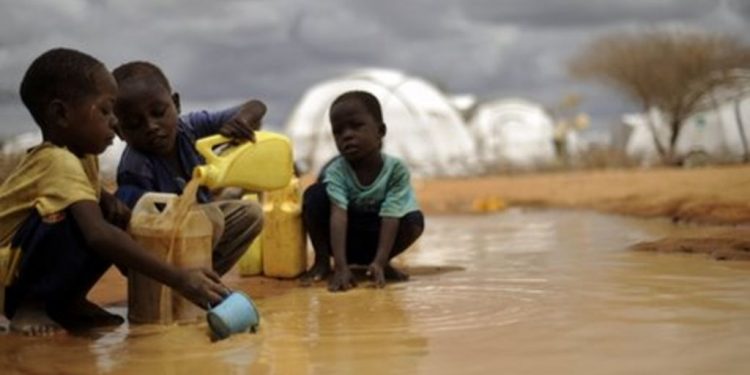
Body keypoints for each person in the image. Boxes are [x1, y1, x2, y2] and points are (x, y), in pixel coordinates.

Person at [0, 48, 229, 336]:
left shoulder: (83, 156)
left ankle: (67, 303)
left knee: (111, 213)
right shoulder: (56, 161)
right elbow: (98, 236)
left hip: (19, 264)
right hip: (8, 275)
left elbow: (90, 194)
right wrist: (180, 279)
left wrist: (108, 200)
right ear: (61, 114)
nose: (115, 122)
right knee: (76, 223)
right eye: (106, 111)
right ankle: (30, 305)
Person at [111, 61, 264, 276]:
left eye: (158, 113)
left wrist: (242, 120)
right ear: (119, 131)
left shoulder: (190, 128)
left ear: (176, 104)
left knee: (250, 214)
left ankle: (204, 278)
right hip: (159, 248)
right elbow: (141, 229)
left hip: (198, 231)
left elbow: (256, 106)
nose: (151, 126)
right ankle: (180, 283)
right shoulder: (136, 167)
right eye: (135, 124)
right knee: (210, 217)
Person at [301, 91, 424, 292]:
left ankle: (380, 265)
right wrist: (340, 266)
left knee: (414, 220)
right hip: (345, 239)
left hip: (378, 238)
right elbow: (338, 215)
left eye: (356, 126)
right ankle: (322, 262)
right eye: (338, 132)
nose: (347, 135)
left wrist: (380, 260)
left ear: (380, 131)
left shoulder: (395, 170)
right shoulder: (336, 171)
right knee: (314, 195)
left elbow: (391, 215)